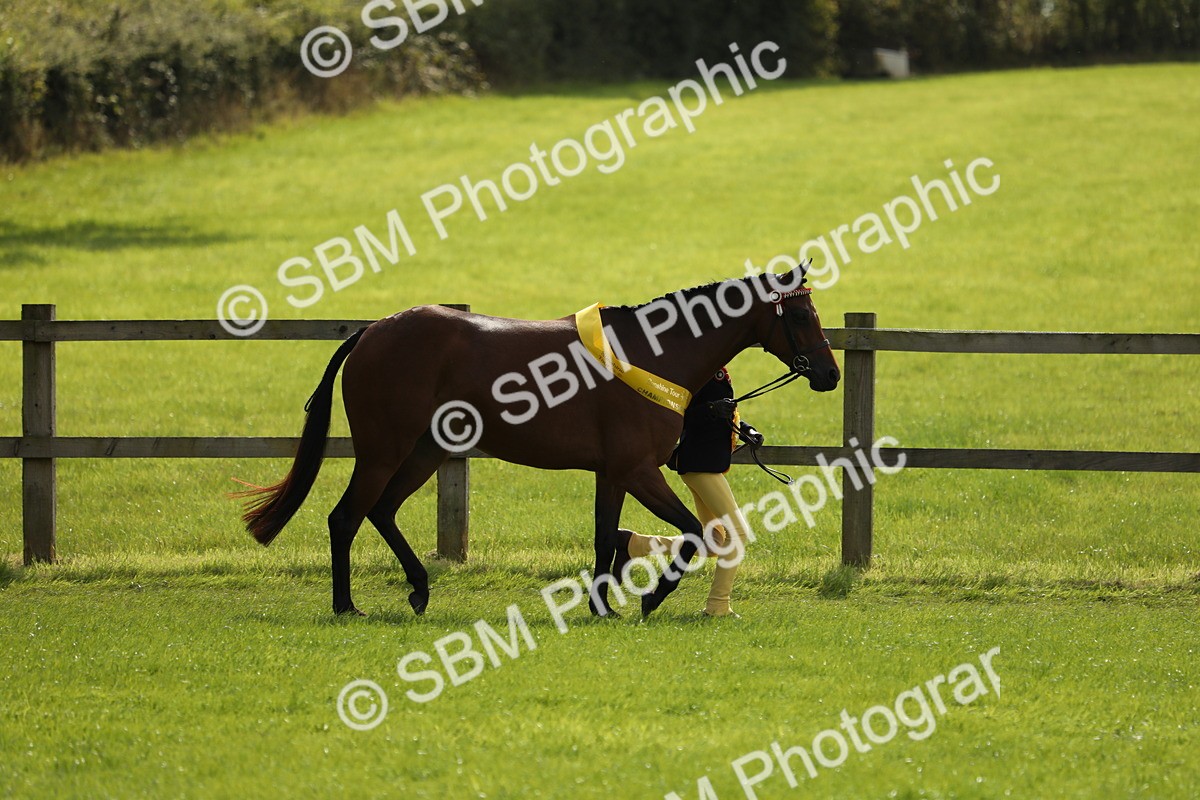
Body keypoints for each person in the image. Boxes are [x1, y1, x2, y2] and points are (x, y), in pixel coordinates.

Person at [614, 367, 762, 617]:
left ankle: (635, 544)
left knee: (715, 542)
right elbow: (679, 412)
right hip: (700, 465)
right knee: (737, 533)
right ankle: (717, 607)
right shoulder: (700, 367)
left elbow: (723, 410)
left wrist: (746, 429)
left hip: (705, 464)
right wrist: (712, 410)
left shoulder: (715, 366)